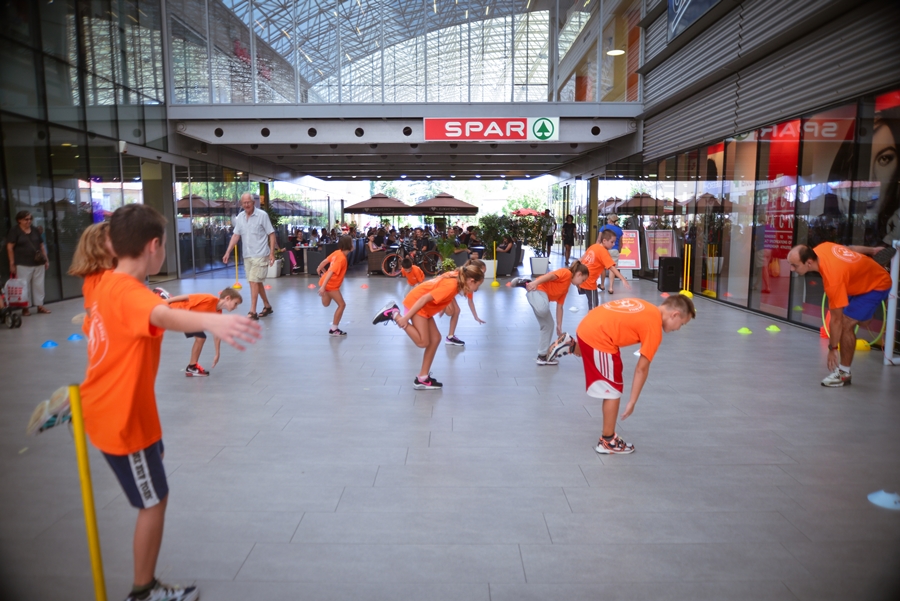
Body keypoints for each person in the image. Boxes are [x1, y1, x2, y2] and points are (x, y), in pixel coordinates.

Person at [78, 204, 260, 601]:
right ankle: (143, 591)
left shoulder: (103, 282)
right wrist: (211, 320)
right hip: (124, 423)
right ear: (155, 247)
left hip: (115, 410)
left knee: (154, 479)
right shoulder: (129, 293)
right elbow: (160, 315)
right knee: (154, 501)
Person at [548, 294, 696, 454]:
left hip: (589, 325)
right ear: (675, 314)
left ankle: (571, 345)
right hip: (599, 336)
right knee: (612, 390)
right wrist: (632, 401)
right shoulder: (654, 327)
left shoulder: (647, 306)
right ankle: (608, 441)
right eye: (681, 324)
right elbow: (642, 368)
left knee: (603, 363)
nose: (678, 329)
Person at [787, 243, 892, 387]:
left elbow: (836, 320)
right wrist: (872, 250)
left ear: (809, 262)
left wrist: (833, 349)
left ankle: (844, 373)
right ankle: (865, 314)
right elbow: (850, 249)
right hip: (853, 282)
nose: (791, 269)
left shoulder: (833, 280)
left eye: (794, 265)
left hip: (877, 285)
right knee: (862, 322)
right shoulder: (821, 248)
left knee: (846, 322)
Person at [373, 265, 484, 390]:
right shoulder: (452, 286)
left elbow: (438, 290)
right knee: (422, 342)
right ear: (471, 281)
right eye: (477, 286)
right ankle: (394, 314)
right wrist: (405, 318)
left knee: (435, 338)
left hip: (425, 308)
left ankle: (423, 378)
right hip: (417, 304)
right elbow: (424, 298)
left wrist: (443, 308)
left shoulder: (458, 276)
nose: (476, 290)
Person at [510, 261, 589, 365]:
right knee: (543, 308)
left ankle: (542, 356)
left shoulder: (565, 289)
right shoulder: (566, 273)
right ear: (579, 274)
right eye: (582, 280)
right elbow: (551, 276)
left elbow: (560, 307)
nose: (580, 283)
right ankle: (526, 284)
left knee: (548, 325)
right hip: (538, 290)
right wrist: (534, 283)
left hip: (540, 298)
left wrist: (559, 325)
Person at [163, 288, 244, 376]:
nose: (236, 307)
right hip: (178, 311)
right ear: (227, 298)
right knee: (201, 338)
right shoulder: (209, 299)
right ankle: (192, 367)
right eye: (235, 304)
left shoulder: (218, 314)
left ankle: (192, 367)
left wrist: (217, 353)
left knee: (200, 338)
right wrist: (167, 301)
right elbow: (186, 297)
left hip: (188, 318)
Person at [222, 193, 275, 320]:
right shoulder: (240, 217)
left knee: (253, 281)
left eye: (248, 202)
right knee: (256, 282)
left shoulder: (262, 215)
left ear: (253, 203)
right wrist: (228, 251)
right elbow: (236, 236)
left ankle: (253, 311)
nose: (246, 205)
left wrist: (272, 253)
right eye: (244, 203)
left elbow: (271, 234)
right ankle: (267, 306)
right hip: (247, 255)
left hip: (260, 254)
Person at [67, 221, 116, 333]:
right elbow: (94, 313)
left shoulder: (115, 270)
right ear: (99, 246)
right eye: (113, 239)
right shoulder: (95, 280)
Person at [6, 210, 51, 315]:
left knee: (39, 285)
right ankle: (25, 308)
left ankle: (40, 306)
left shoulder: (34, 230)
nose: (29, 221)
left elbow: (41, 245)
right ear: (19, 220)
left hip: (38, 262)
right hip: (22, 263)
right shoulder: (15, 231)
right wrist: (12, 263)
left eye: (30, 219)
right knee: (24, 286)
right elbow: (9, 248)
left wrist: (46, 259)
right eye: (26, 219)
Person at [439, 258, 487, 346]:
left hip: (447, 292)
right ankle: (450, 336)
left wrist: (476, 317)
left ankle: (450, 337)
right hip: (441, 288)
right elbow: (446, 286)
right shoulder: (461, 277)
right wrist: (442, 306)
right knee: (451, 312)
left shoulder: (470, 283)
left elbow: (470, 301)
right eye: (482, 272)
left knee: (456, 311)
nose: (483, 275)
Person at [580, 230, 631, 309]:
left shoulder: (594, 246)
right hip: (589, 282)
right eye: (612, 242)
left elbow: (581, 259)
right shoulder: (603, 252)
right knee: (594, 307)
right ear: (604, 241)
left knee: (592, 304)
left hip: (582, 279)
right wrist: (623, 279)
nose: (614, 244)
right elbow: (612, 267)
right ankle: (592, 321)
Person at [317, 235, 352, 336]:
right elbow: (331, 271)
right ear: (349, 246)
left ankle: (324, 291)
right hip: (331, 285)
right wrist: (324, 286)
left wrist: (319, 268)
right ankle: (334, 329)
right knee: (342, 305)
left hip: (326, 282)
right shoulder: (342, 259)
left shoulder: (337, 253)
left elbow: (325, 261)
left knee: (326, 304)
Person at [598, 214, 624, 293]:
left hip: (604, 250)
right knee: (612, 269)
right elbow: (621, 242)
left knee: (602, 267)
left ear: (609, 220)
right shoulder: (619, 230)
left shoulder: (604, 228)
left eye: (607, 219)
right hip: (615, 250)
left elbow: (599, 240)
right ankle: (611, 288)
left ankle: (602, 285)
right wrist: (619, 250)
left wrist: (596, 248)